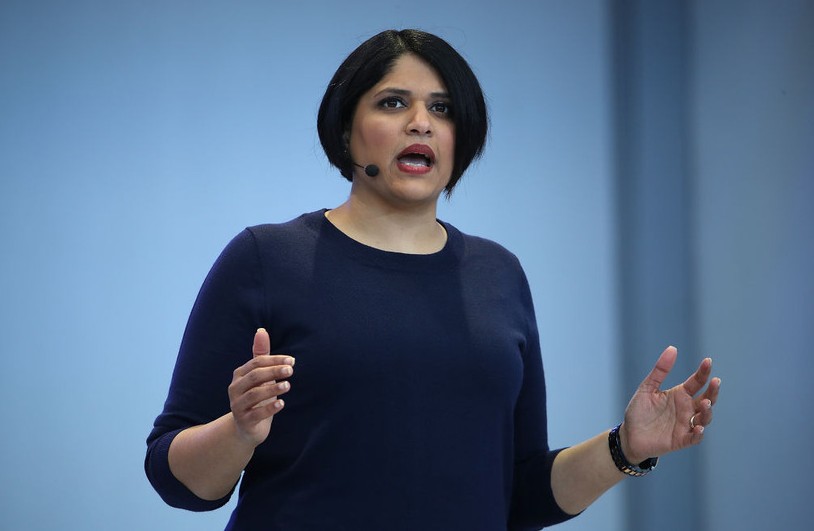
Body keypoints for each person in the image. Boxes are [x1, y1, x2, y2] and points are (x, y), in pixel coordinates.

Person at [145, 29, 721, 530]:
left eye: (442, 109)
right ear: (346, 131)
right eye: (393, 103)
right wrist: (238, 432)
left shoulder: (498, 274)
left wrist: (625, 448)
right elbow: (173, 478)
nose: (421, 123)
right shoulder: (266, 258)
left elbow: (518, 493)